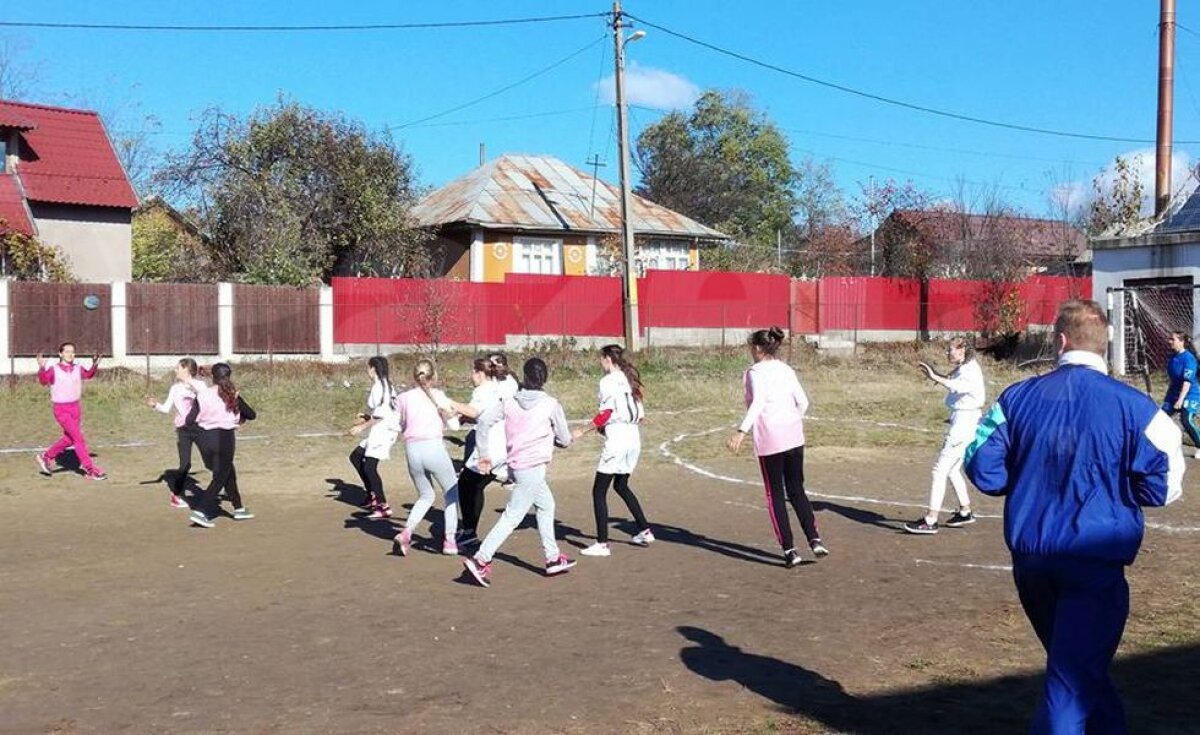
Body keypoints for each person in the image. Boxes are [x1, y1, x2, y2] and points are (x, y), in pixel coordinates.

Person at [965, 299, 1184, 733]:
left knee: (1078, 670)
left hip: (1032, 563)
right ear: (1104, 346)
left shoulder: (1016, 398)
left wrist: (1032, 475)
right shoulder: (1137, 407)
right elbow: (1164, 485)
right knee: (1070, 681)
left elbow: (982, 468)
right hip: (1094, 562)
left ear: (1059, 340)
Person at [463, 357, 576, 587]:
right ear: (545, 378)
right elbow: (564, 439)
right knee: (513, 515)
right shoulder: (551, 404)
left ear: (524, 376)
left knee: (546, 505)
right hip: (532, 468)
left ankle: (553, 558)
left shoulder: (509, 402)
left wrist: (484, 453)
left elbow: (483, 423)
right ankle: (481, 560)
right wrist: (559, 438)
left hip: (516, 465)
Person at [727, 327, 827, 567]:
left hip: (771, 438)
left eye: (752, 347)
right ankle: (815, 540)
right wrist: (791, 419)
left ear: (759, 348)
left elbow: (758, 402)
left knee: (775, 494)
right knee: (797, 489)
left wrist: (742, 432)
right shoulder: (786, 369)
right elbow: (803, 402)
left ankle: (790, 549)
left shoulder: (756, 372)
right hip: (793, 435)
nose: (751, 351)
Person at [575, 344, 655, 557]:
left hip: (618, 439)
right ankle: (645, 530)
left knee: (598, 491)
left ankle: (602, 544)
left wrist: (583, 430)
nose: (600, 363)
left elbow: (606, 413)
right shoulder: (629, 378)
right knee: (621, 485)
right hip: (633, 438)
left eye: (601, 359)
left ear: (608, 359)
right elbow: (640, 415)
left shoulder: (608, 381)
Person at [904, 336, 986, 534]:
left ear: (962, 350)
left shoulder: (969, 369)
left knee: (939, 470)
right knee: (952, 469)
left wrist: (935, 377)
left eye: (951, 349)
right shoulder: (965, 367)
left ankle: (931, 520)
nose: (947, 353)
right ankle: (965, 511)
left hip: (964, 424)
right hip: (963, 421)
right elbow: (953, 384)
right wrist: (937, 376)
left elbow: (956, 386)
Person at [391, 360, 461, 556]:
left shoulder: (403, 398)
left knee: (425, 495)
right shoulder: (439, 396)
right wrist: (450, 414)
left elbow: (398, 424)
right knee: (452, 495)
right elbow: (455, 426)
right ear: (434, 377)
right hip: (433, 448)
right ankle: (450, 540)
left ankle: (406, 532)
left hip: (412, 450)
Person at [448, 356, 511, 549]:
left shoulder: (483, 390)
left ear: (480, 373)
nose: (471, 376)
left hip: (489, 447)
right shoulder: (496, 387)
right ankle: (469, 530)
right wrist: (465, 418)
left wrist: (450, 402)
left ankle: (469, 533)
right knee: (473, 486)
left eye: (473, 372)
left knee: (466, 484)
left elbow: (475, 411)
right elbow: (482, 416)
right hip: (500, 445)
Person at [188, 363, 256, 528]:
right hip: (224, 439)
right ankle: (201, 511)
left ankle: (239, 508)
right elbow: (251, 415)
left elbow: (190, 420)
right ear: (229, 376)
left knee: (228, 472)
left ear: (213, 377)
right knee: (220, 477)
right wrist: (237, 402)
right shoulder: (231, 394)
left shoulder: (202, 395)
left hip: (204, 440)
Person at [36, 342, 107, 480]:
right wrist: (41, 368)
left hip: (75, 408)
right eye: (67, 351)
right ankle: (90, 469)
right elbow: (44, 381)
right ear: (60, 354)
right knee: (78, 438)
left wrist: (95, 365)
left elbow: (88, 375)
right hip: (61, 409)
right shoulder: (54, 369)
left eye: (72, 352)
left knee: (69, 439)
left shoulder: (77, 368)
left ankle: (46, 457)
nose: (70, 354)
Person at [145, 357, 208, 508]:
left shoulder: (200, 385)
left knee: (212, 460)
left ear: (186, 369)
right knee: (185, 464)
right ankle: (176, 495)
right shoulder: (175, 388)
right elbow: (166, 409)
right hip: (183, 430)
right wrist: (155, 405)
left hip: (200, 428)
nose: (176, 370)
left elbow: (206, 399)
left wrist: (190, 385)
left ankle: (222, 485)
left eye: (178, 368)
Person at [348, 356, 400, 520]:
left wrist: (360, 427)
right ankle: (372, 495)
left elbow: (381, 417)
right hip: (381, 429)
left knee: (370, 466)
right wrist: (365, 416)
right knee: (356, 456)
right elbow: (381, 412)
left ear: (373, 369)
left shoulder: (379, 387)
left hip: (384, 431)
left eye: (368, 368)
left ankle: (383, 505)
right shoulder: (388, 386)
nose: (367, 371)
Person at [1162, 330, 1200, 459]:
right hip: (1174, 393)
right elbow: (1174, 380)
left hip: (1190, 394)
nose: (1169, 341)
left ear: (1181, 342)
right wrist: (1170, 397)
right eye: (1169, 339)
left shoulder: (1189, 359)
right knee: (1160, 418)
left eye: (1173, 339)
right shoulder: (1172, 357)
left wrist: (1180, 400)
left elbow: (1187, 382)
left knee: (1186, 420)